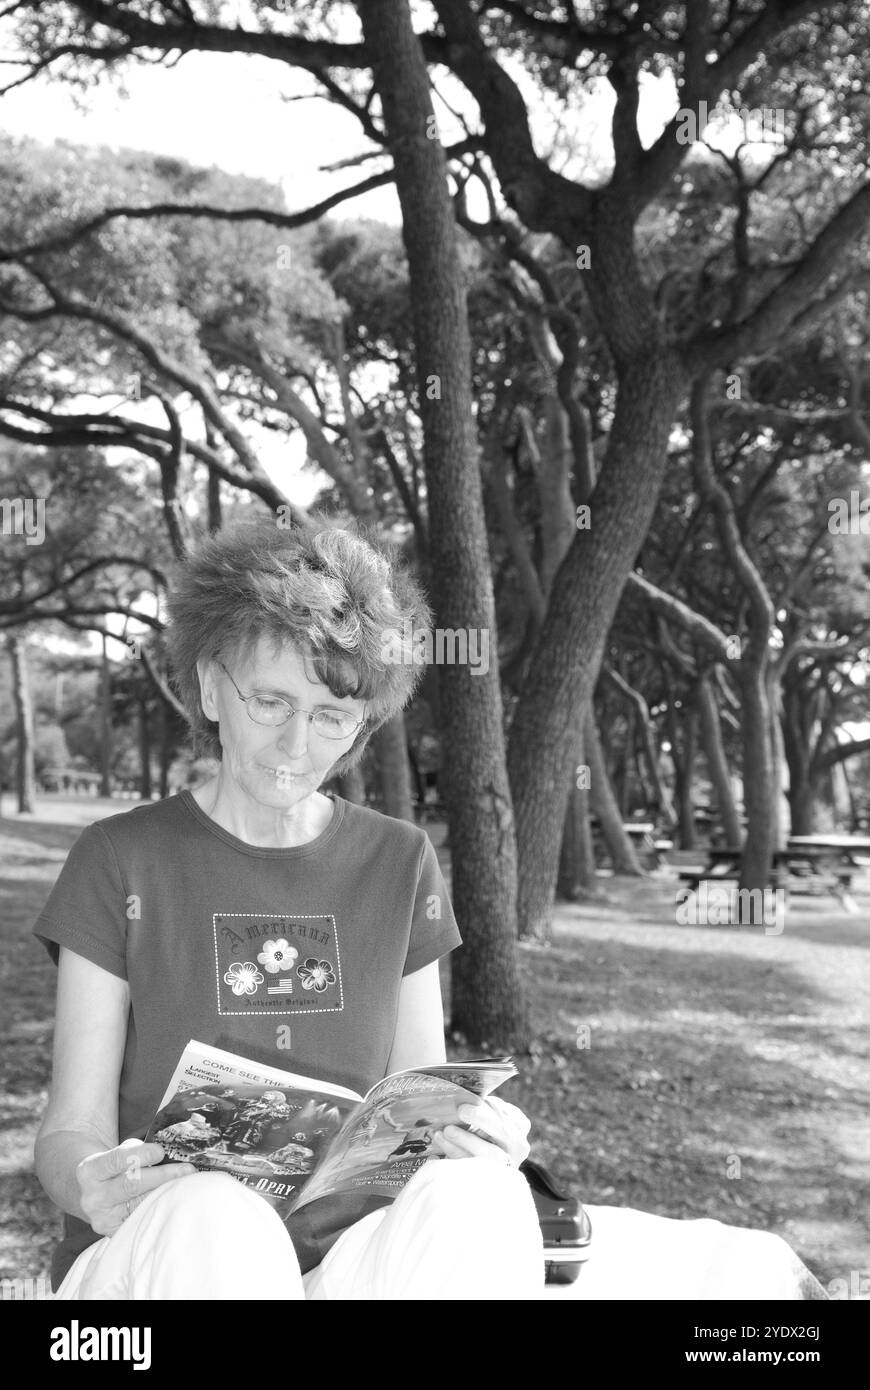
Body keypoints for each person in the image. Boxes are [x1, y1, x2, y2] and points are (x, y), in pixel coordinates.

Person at [32, 516, 543, 1301]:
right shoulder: (118, 858)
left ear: (361, 725)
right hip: (162, 1254)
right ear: (210, 686)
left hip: (344, 1262)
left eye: (331, 717)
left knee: (486, 1194)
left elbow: (416, 1099)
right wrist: (90, 1184)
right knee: (217, 1214)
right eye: (270, 702)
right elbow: (72, 1131)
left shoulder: (398, 861)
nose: (295, 745)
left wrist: (465, 1138)